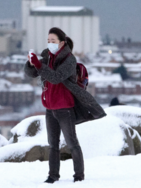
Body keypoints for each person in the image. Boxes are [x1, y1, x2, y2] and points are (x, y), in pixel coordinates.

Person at [24, 27, 106, 184]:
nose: (50, 44)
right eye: (48, 41)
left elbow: (56, 77)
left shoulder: (69, 60)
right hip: (50, 108)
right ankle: (53, 176)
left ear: (61, 43)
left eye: (53, 41)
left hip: (64, 108)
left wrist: (38, 65)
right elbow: (32, 73)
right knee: (52, 145)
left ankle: (79, 176)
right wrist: (30, 63)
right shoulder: (47, 58)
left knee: (72, 143)